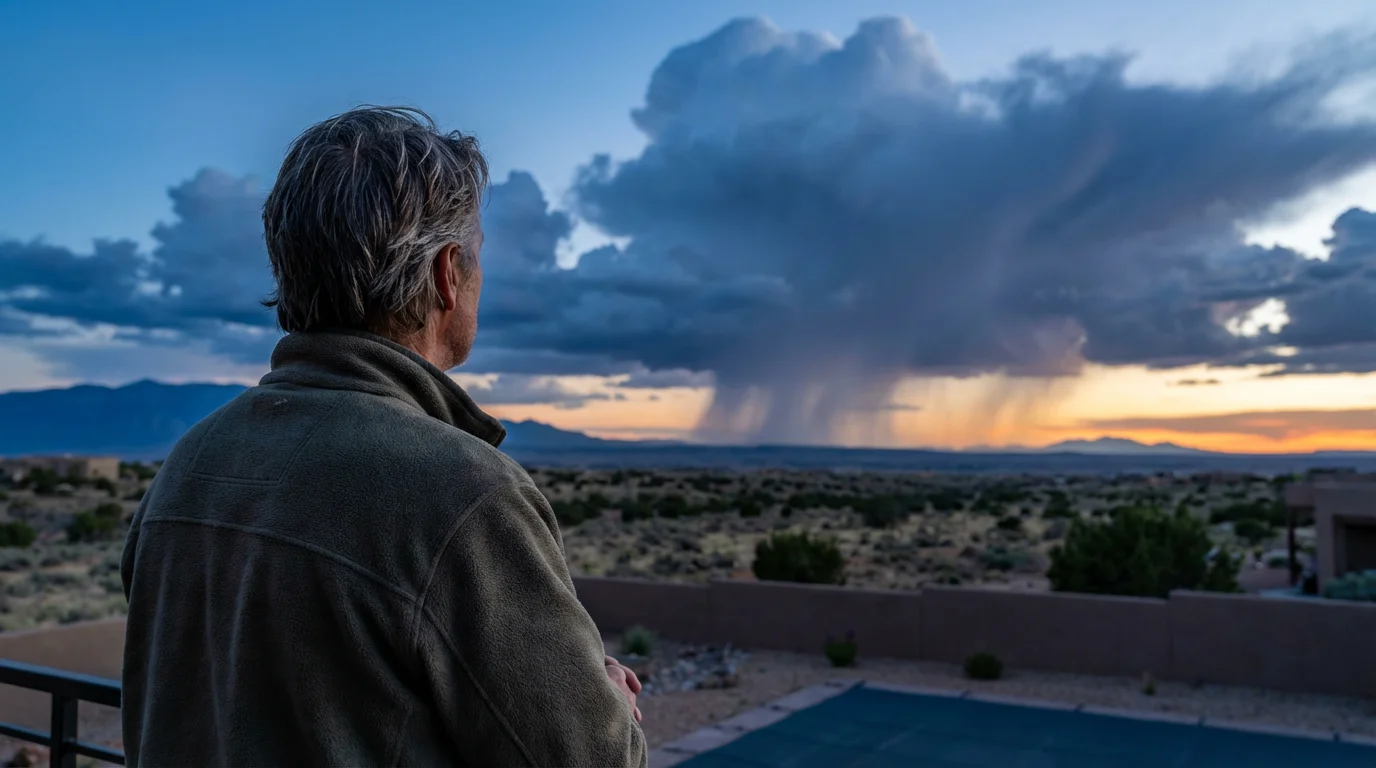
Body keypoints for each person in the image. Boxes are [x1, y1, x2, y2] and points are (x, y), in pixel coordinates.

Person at [120, 106, 648, 767]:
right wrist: (614, 709)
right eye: (476, 257)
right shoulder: (462, 492)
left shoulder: (188, 463)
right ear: (446, 275)